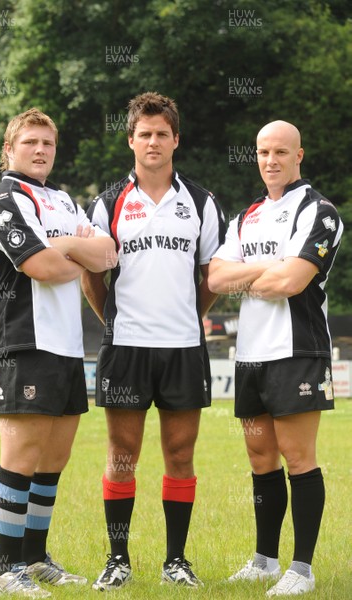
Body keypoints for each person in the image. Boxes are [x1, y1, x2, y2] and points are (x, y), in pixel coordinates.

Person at [80, 91, 226, 590]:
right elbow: (91, 277)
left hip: (184, 348)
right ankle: (117, 559)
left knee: (180, 455)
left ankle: (175, 561)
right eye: (145, 134)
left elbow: (213, 278)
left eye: (162, 133)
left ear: (176, 139)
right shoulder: (106, 204)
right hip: (126, 348)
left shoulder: (203, 203)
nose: (154, 141)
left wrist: (188, 315)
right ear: (131, 141)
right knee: (122, 454)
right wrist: (117, 323)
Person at [0, 108, 116, 597]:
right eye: (31, 142)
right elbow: (45, 268)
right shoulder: (3, 200)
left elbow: (107, 254)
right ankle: (5, 570)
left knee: (53, 458)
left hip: (65, 347)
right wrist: (69, 250)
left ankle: (35, 559)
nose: (40, 151)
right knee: (21, 456)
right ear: (9, 149)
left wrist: (65, 246)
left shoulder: (60, 199)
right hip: (22, 343)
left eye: (48, 144)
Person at [208, 120, 343, 596]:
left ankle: (301, 570)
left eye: (280, 152)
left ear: (298, 155)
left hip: (297, 351)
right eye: (263, 152)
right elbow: (217, 281)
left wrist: (254, 274)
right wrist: (274, 266)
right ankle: (265, 560)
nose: (270, 160)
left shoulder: (320, 212)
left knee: (298, 458)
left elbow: (292, 283)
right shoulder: (245, 217)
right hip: (251, 355)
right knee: (261, 458)